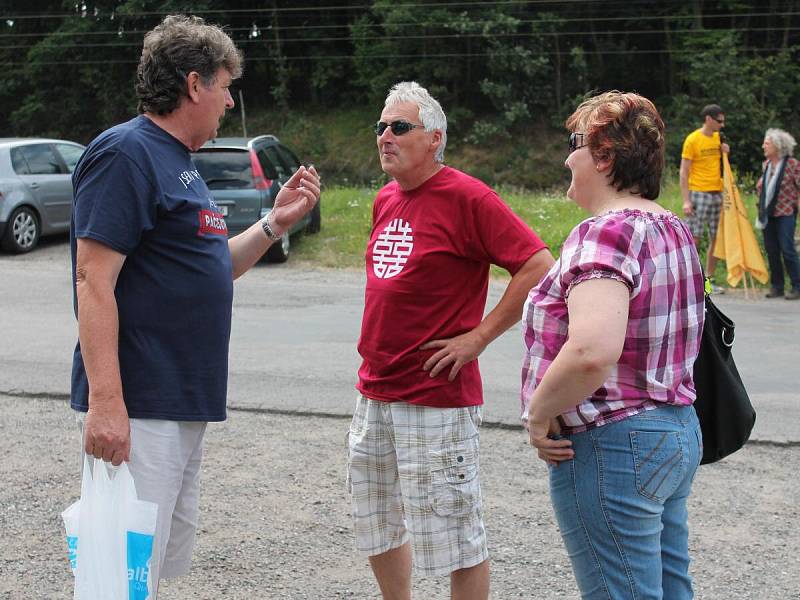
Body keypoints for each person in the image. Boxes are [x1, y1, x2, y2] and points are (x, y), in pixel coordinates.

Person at [69, 14, 319, 596]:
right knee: (118, 578)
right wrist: (107, 404)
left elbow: (211, 268)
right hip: (142, 402)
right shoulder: (126, 153)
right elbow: (92, 280)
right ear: (193, 84)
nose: (229, 103)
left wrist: (271, 225)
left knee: (148, 573)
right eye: (226, 87)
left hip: (182, 401)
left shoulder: (182, 163)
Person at [347, 81, 554, 599]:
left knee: (454, 536)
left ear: (435, 137)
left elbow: (537, 265)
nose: (385, 137)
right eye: (380, 127)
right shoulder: (384, 199)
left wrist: (478, 337)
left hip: (435, 396)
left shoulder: (468, 196)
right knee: (377, 519)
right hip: (373, 390)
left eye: (399, 127)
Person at [522, 91, 705, 599]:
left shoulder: (602, 234)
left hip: (614, 442)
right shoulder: (673, 229)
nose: (568, 157)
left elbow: (591, 352)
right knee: (669, 590)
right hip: (675, 430)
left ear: (604, 156)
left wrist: (538, 414)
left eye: (575, 144)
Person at [680, 103, 730, 291]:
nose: (722, 125)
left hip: (717, 193)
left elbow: (723, 165)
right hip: (698, 192)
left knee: (717, 238)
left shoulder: (718, 139)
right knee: (695, 238)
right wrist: (686, 199)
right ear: (708, 119)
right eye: (719, 121)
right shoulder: (693, 139)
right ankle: (691, 279)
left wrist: (725, 152)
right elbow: (684, 172)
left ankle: (709, 279)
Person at [755, 128, 800, 300]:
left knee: (788, 249)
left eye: (767, 143)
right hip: (768, 213)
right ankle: (777, 286)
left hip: (786, 212)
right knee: (772, 250)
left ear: (778, 146)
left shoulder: (792, 165)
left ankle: (797, 286)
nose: (763, 146)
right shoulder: (766, 165)